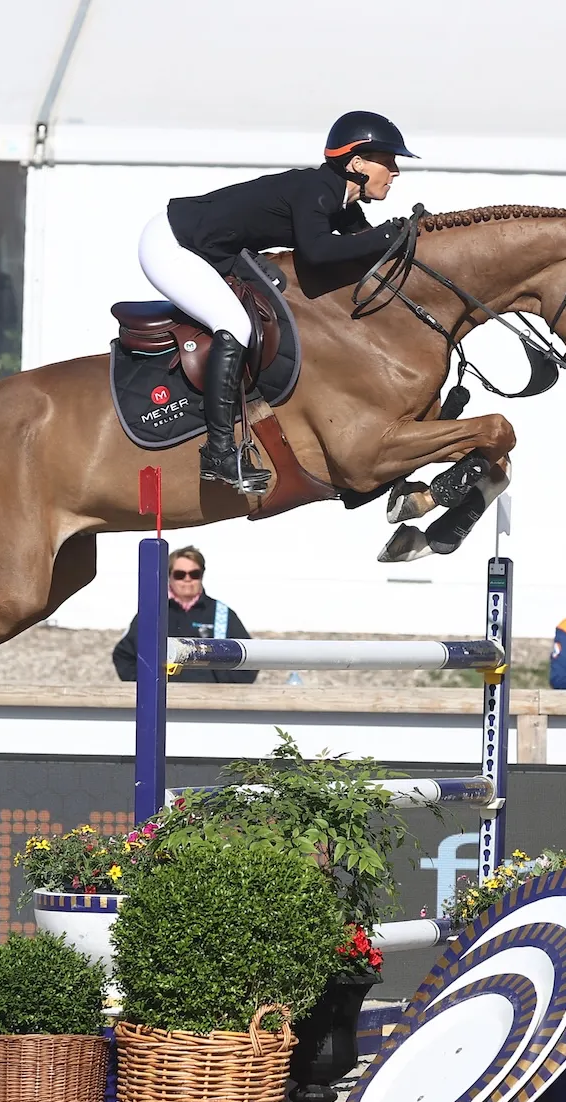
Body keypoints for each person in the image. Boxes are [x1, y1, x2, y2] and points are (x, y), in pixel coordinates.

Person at [140, 110, 416, 493]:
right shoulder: (315, 192)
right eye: (387, 161)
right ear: (355, 163)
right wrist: (388, 235)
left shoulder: (340, 201)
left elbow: (369, 249)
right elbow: (317, 252)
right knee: (234, 325)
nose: (396, 171)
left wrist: (420, 236)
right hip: (172, 245)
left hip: (210, 248)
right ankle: (218, 453)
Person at [112, 547, 258, 685]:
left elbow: (250, 658)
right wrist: (145, 686)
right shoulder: (152, 613)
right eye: (180, 574)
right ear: (169, 576)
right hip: (163, 704)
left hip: (211, 704)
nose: (187, 579)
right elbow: (123, 655)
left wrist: (225, 689)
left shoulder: (222, 614)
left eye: (194, 574)